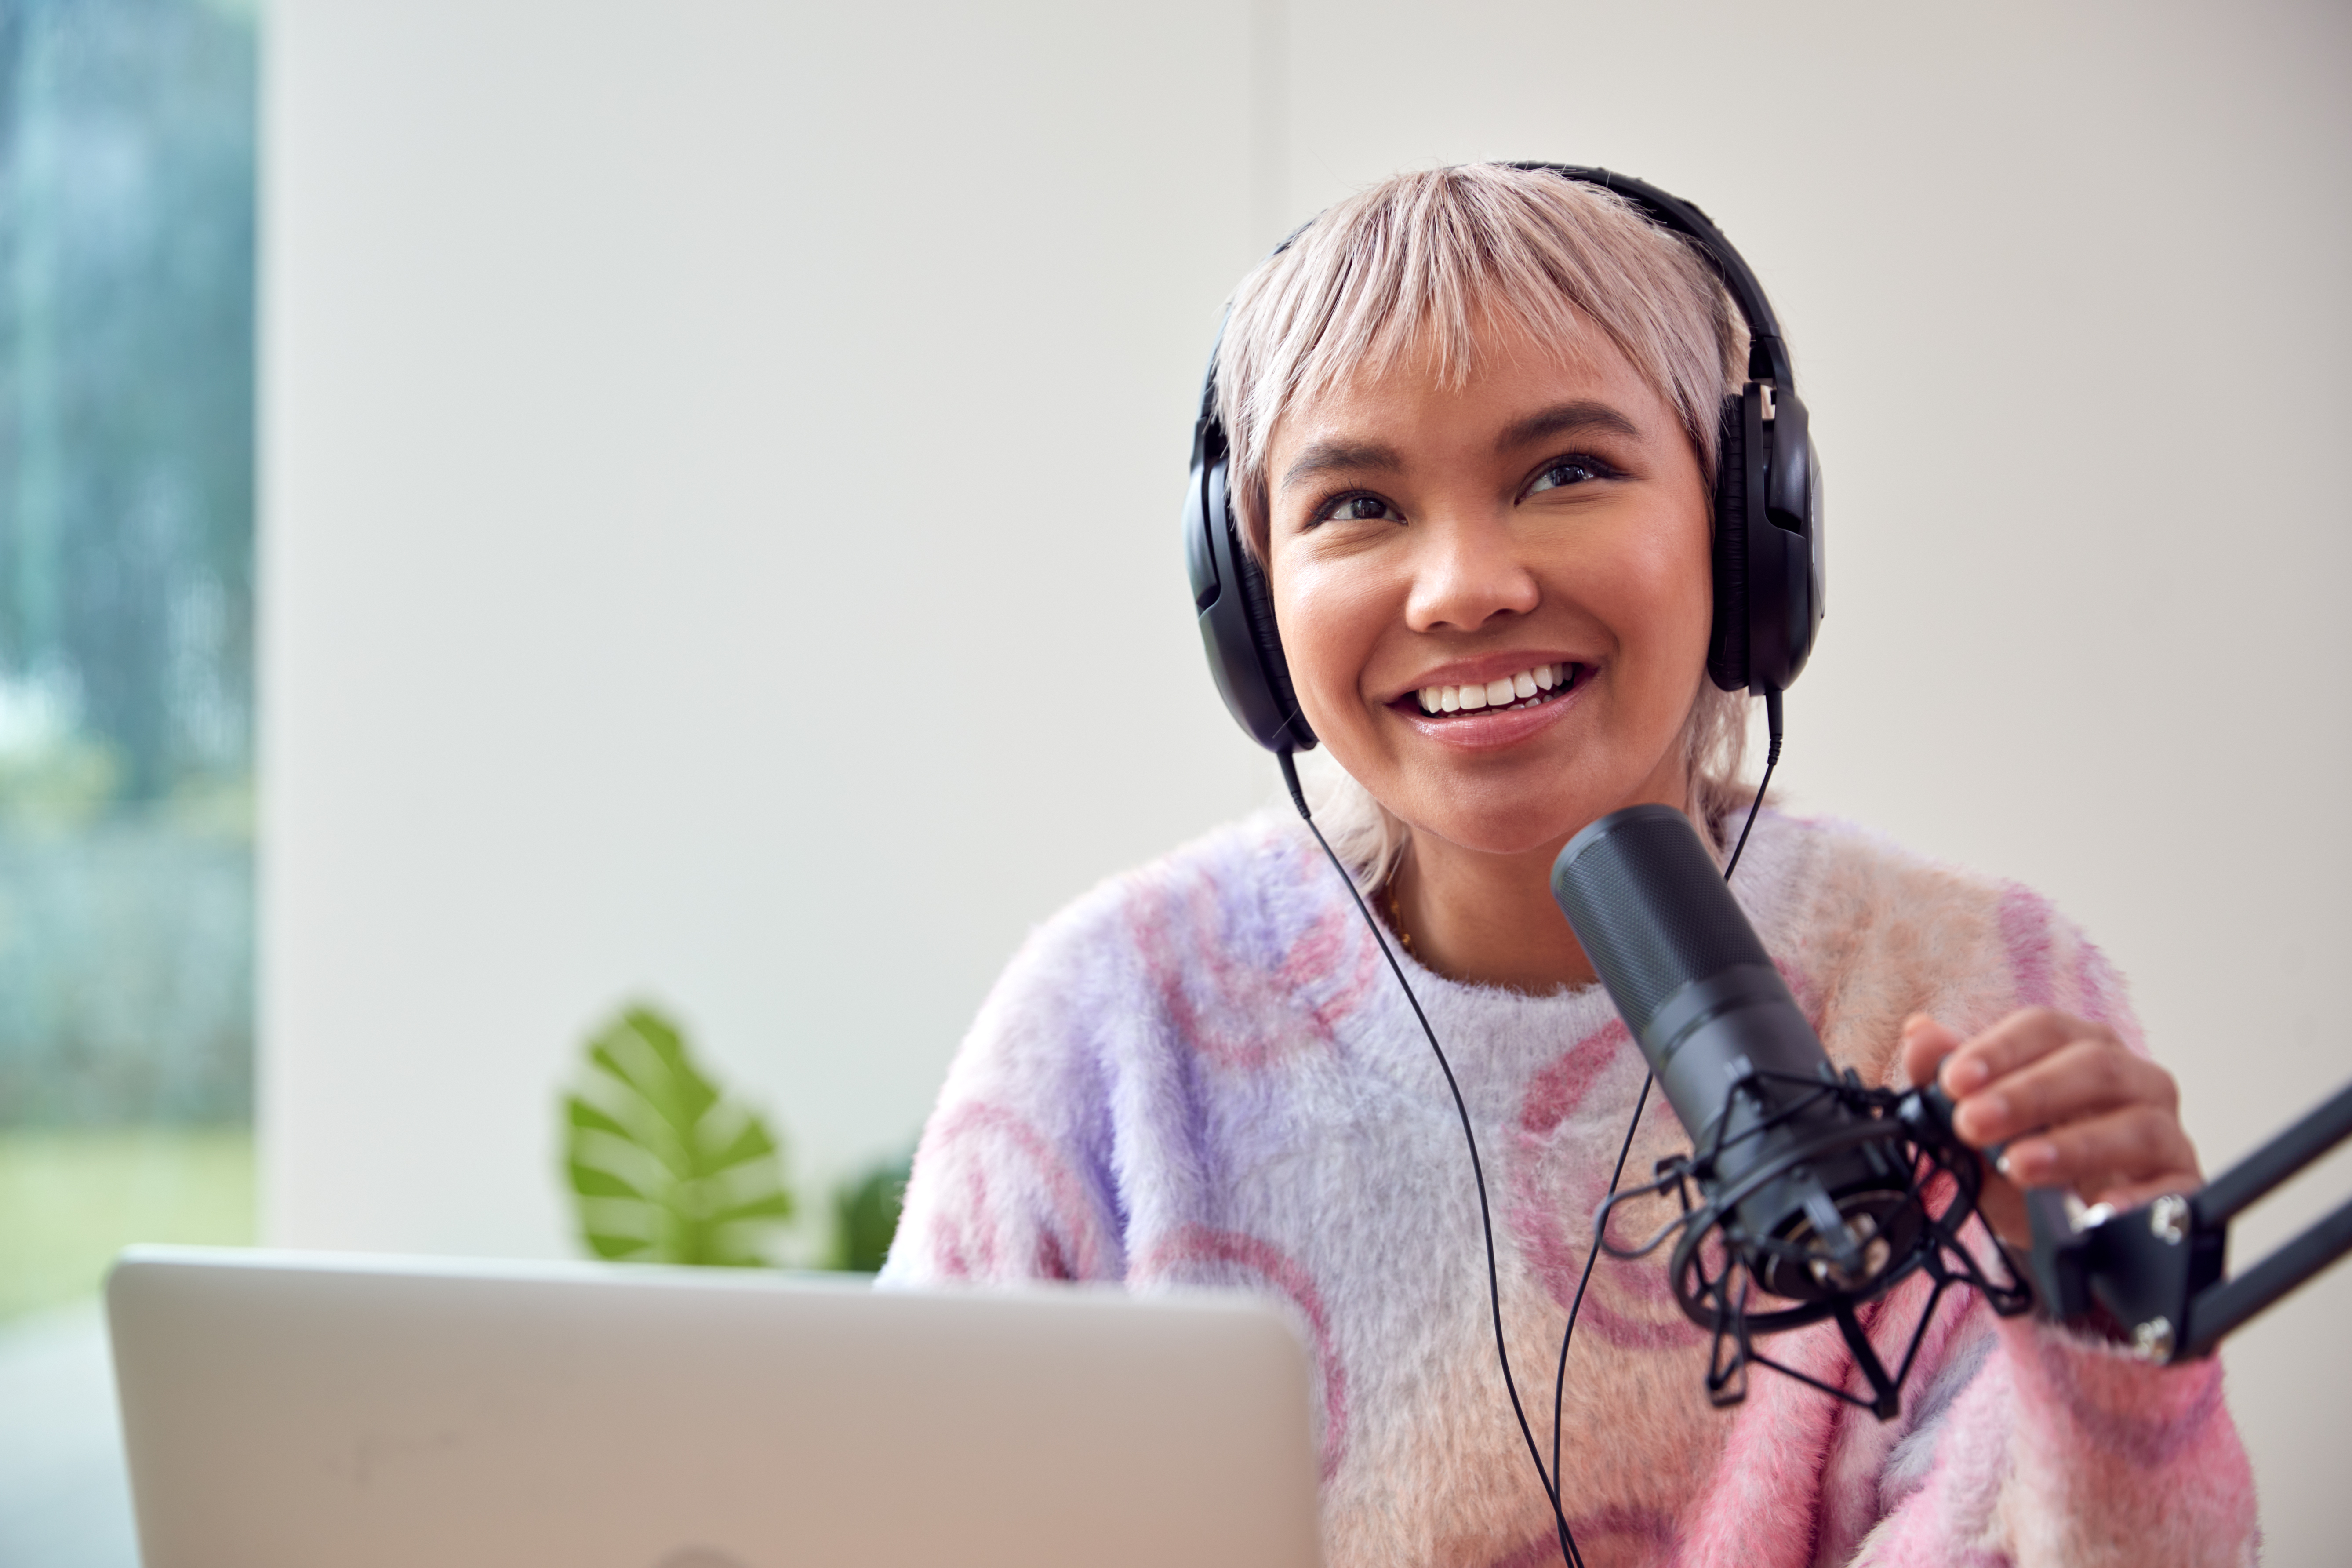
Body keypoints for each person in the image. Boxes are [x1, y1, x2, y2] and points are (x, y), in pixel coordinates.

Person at [879, 164, 2257, 1567]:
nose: (1464, 585)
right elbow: (897, 1516)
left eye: (1568, 473)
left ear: (1746, 530)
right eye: (1357, 504)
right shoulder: (1111, 1023)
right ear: (1250, 605)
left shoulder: (1976, 995)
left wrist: (2104, 1349)